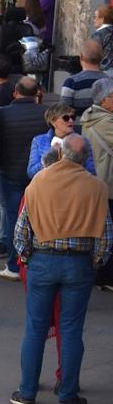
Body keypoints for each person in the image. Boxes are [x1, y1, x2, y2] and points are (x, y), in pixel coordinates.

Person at [10, 135, 112, 404]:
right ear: (86, 156)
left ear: (61, 154)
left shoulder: (39, 182)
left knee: (35, 328)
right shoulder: (97, 188)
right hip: (78, 265)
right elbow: (105, 236)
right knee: (71, 330)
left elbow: (21, 232)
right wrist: (95, 262)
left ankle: (27, 392)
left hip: (42, 261)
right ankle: (67, 394)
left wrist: (28, 258)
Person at [0, 78, 45, 279]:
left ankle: (13, 265)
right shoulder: (45, 113)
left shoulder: (4, 113)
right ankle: (35, 264)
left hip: (11, 173)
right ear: (37, 92)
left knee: (13, 217)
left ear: (15, 93)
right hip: (38, 177)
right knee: (38, 219)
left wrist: (3, 165)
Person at [79, 79, 113, 291]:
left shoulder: (90, 116)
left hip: (99, 182)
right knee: (107, 232)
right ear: (105, 100)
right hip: (108, 184)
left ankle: (101, 275)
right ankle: (105, 276)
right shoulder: (106, 122)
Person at [27, 104, 95, 180]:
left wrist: (73, 158)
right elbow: (31, 173)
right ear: (53, 121)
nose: (71, 121)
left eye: (73, 117)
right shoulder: (39, 140)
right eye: (66, 118)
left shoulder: (82, 141)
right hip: (48, 187)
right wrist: (50, 156)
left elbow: (91, 172)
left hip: (74, 187)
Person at [60, 39, 109, 113]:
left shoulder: (71, 82)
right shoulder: (109, 81)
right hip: (104, 123)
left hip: (78, 123)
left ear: (81, 58)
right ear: (101, 58)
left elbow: (63, 110)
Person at [92, 4, 113, 71]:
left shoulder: (98, 35)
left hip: (104, 73)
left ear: (102, 19)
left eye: (95, 17)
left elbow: (92, 56)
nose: (94, 20)